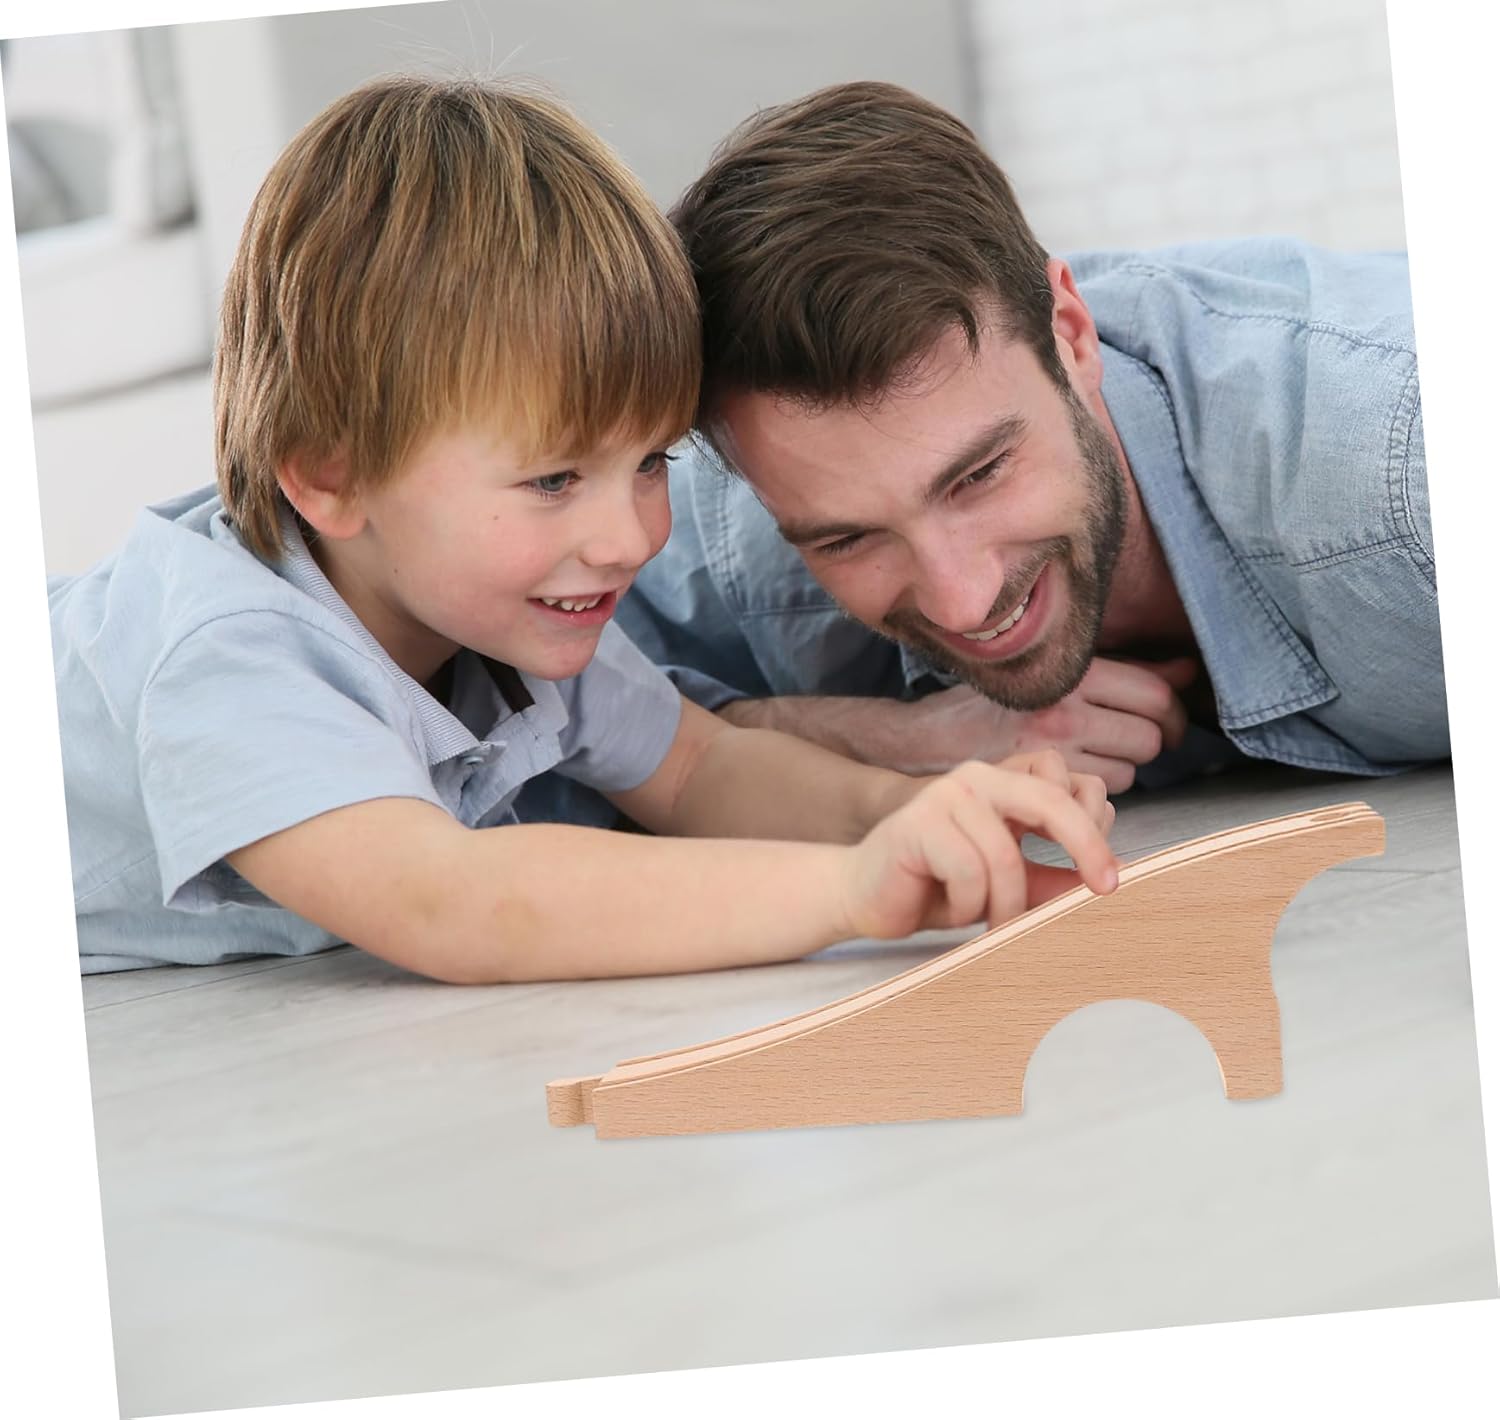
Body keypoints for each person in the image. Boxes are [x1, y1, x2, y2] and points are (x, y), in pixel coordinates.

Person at [48, 76, 1119, 984]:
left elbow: (699, 769)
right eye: (555, 478)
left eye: (650, 462)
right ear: (333, 476)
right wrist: (849, 889)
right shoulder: (230, 654)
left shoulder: (497, 609)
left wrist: (920, 812)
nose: (627, 539)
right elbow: (450, 902)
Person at [615, 81, 1446, 795]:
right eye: (847, 540)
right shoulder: (749, 501)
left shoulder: (1405, 476)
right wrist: (888, 739)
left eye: (978, 475)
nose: (962, 601)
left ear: (1073, 335)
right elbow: (551, 727)